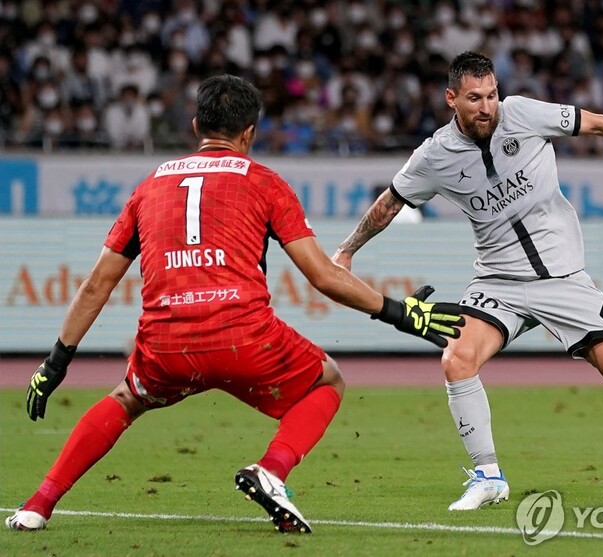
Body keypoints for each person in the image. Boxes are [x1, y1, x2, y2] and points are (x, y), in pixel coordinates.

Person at [6, 74, 463, 534]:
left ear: (194, 125)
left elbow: (96, 285)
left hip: (167, 345)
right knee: (327, 379)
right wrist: (397, 311)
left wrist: (56, 362)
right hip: (244, 338)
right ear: (249, 133)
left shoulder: (149, 186)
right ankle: (272, 469)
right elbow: (323, 276)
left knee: (126, 398)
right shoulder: (265, 182)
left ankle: (38, 505)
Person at [332, 51, 603, 511]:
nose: (487, 106)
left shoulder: (523, 114)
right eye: (475, 98)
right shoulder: (434, 155)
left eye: (492, 95)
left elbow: (595, 122)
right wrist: (348, 249)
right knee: (457, 359)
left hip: (562, 277)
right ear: (451, 98)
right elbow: (391, 202)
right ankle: (488, 476)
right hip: (498, 283)